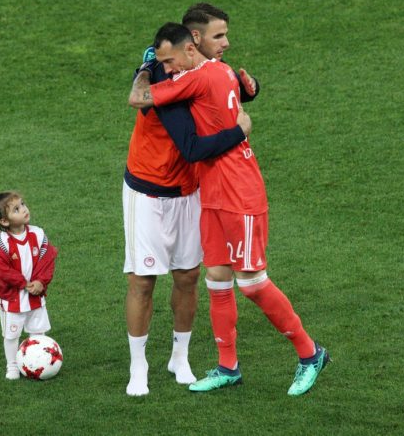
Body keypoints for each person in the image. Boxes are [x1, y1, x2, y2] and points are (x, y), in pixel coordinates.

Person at [129, 20, 329, 396]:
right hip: (212, 193)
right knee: (217, 279)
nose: (168, 69)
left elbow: (140, 98)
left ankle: (310, 353)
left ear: (191, 48)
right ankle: (228, 367)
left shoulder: (200, 77)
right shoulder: (219, 73)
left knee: (252, 284)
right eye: (219, 36)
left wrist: (146, 68)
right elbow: (239, 89)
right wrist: (251, 89)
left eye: (170, 62)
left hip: (240, 192)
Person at [124, 39, 257, 396]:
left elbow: (228, 90)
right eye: (218, 35)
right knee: (142, 281)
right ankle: (138, 365)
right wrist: (239, 131)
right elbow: (193, 147)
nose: (224, 43)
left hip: (189, 190)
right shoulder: (157, 79)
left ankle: (179, 358)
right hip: (147, 192)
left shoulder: (201, 73)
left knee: (188, 276)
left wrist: (251, 88)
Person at [0, 191, 58, 380]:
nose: (24, 209)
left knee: (38, 332)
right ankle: (12, 366)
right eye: (16, 209)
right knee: (11, 335)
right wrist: (24, 284)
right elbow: (2, 270)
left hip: (35, 295)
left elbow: (47, 260)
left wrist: (41, 282)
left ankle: (38, 362)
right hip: (13, 299)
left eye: (23, 204)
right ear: (4, 221)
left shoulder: (38, 234)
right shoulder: (2, 243)